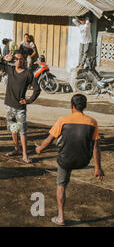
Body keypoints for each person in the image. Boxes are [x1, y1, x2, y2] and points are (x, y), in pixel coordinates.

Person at [35, 94, 104, 226]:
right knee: (88, 141)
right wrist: (97, 167)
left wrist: (39, 149)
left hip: (65, 160)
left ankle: (60, 217)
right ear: (85, 106)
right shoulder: (92, 122)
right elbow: (96, 146)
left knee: (61, 187)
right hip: (83, 160)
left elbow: (49, 141)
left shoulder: (63, 120)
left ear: (71, 106)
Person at [0, 51, 41, 163]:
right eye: (16, 59)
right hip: (8, 105)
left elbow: (37, 89)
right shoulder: (9, 69)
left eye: (21, 59)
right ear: (13, 60)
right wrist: (4, 58)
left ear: (24, 61)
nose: (18, 61)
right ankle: (17, 149)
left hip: (20, 108)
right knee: (13, 128)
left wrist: (29, 101)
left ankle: (25, 155)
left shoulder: (28, 74)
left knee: (22, 131)